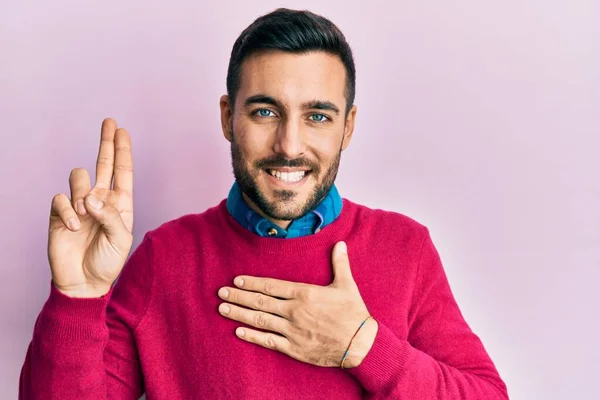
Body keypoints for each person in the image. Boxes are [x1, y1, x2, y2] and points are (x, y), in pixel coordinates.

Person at [19, 8, 508, 400]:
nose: (289, 145)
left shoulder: (405, 248)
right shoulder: (163, 257)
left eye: (317, 115)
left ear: (348, 127)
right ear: (229, 118)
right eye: (265, 111)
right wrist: (77, 297)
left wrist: (362, 345)